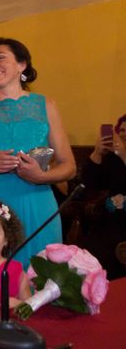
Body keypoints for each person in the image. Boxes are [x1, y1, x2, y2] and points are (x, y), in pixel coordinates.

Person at [0, 37, 76, 268]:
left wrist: (41, 176)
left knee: (38, 275)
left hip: (36, 203)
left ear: (22, 65)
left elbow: (69, 166)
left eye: (0, 58)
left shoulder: (46, 105)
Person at [81, 115, 126, 279]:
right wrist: (97, 153)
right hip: (110, 219)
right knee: (94, 249)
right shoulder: (111, 158)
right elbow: (90, 183)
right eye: (121, 130)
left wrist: (123, 154)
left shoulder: (119, 154)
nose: (124, 134)